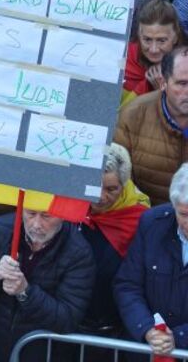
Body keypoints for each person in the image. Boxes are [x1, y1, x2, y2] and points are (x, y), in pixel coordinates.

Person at [0, 207, 95, 362]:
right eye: (31, 214)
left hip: (44, 354)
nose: (36, 224)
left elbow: (67, 319)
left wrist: (25, 292)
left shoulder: (78, 252)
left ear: (63, 216)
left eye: (46, 216)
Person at [114, 161, 188, 355]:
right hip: (147, 350)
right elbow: (128, 285)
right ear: (173, 207)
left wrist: (179, 338)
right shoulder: (153, 224)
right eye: (184, 214)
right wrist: (147, 329)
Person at [76, 143, 151, 332]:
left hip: (112, 322)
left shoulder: (140, 218)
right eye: (95, 186)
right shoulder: (67, 204)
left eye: (111, 189)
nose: (101, 197)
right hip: (70, 317)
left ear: (124, 186)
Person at [115, 46, 188, 203]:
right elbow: (119, 181)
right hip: (148, 218)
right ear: (163, 82)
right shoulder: (132, 116)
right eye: (182, 83)